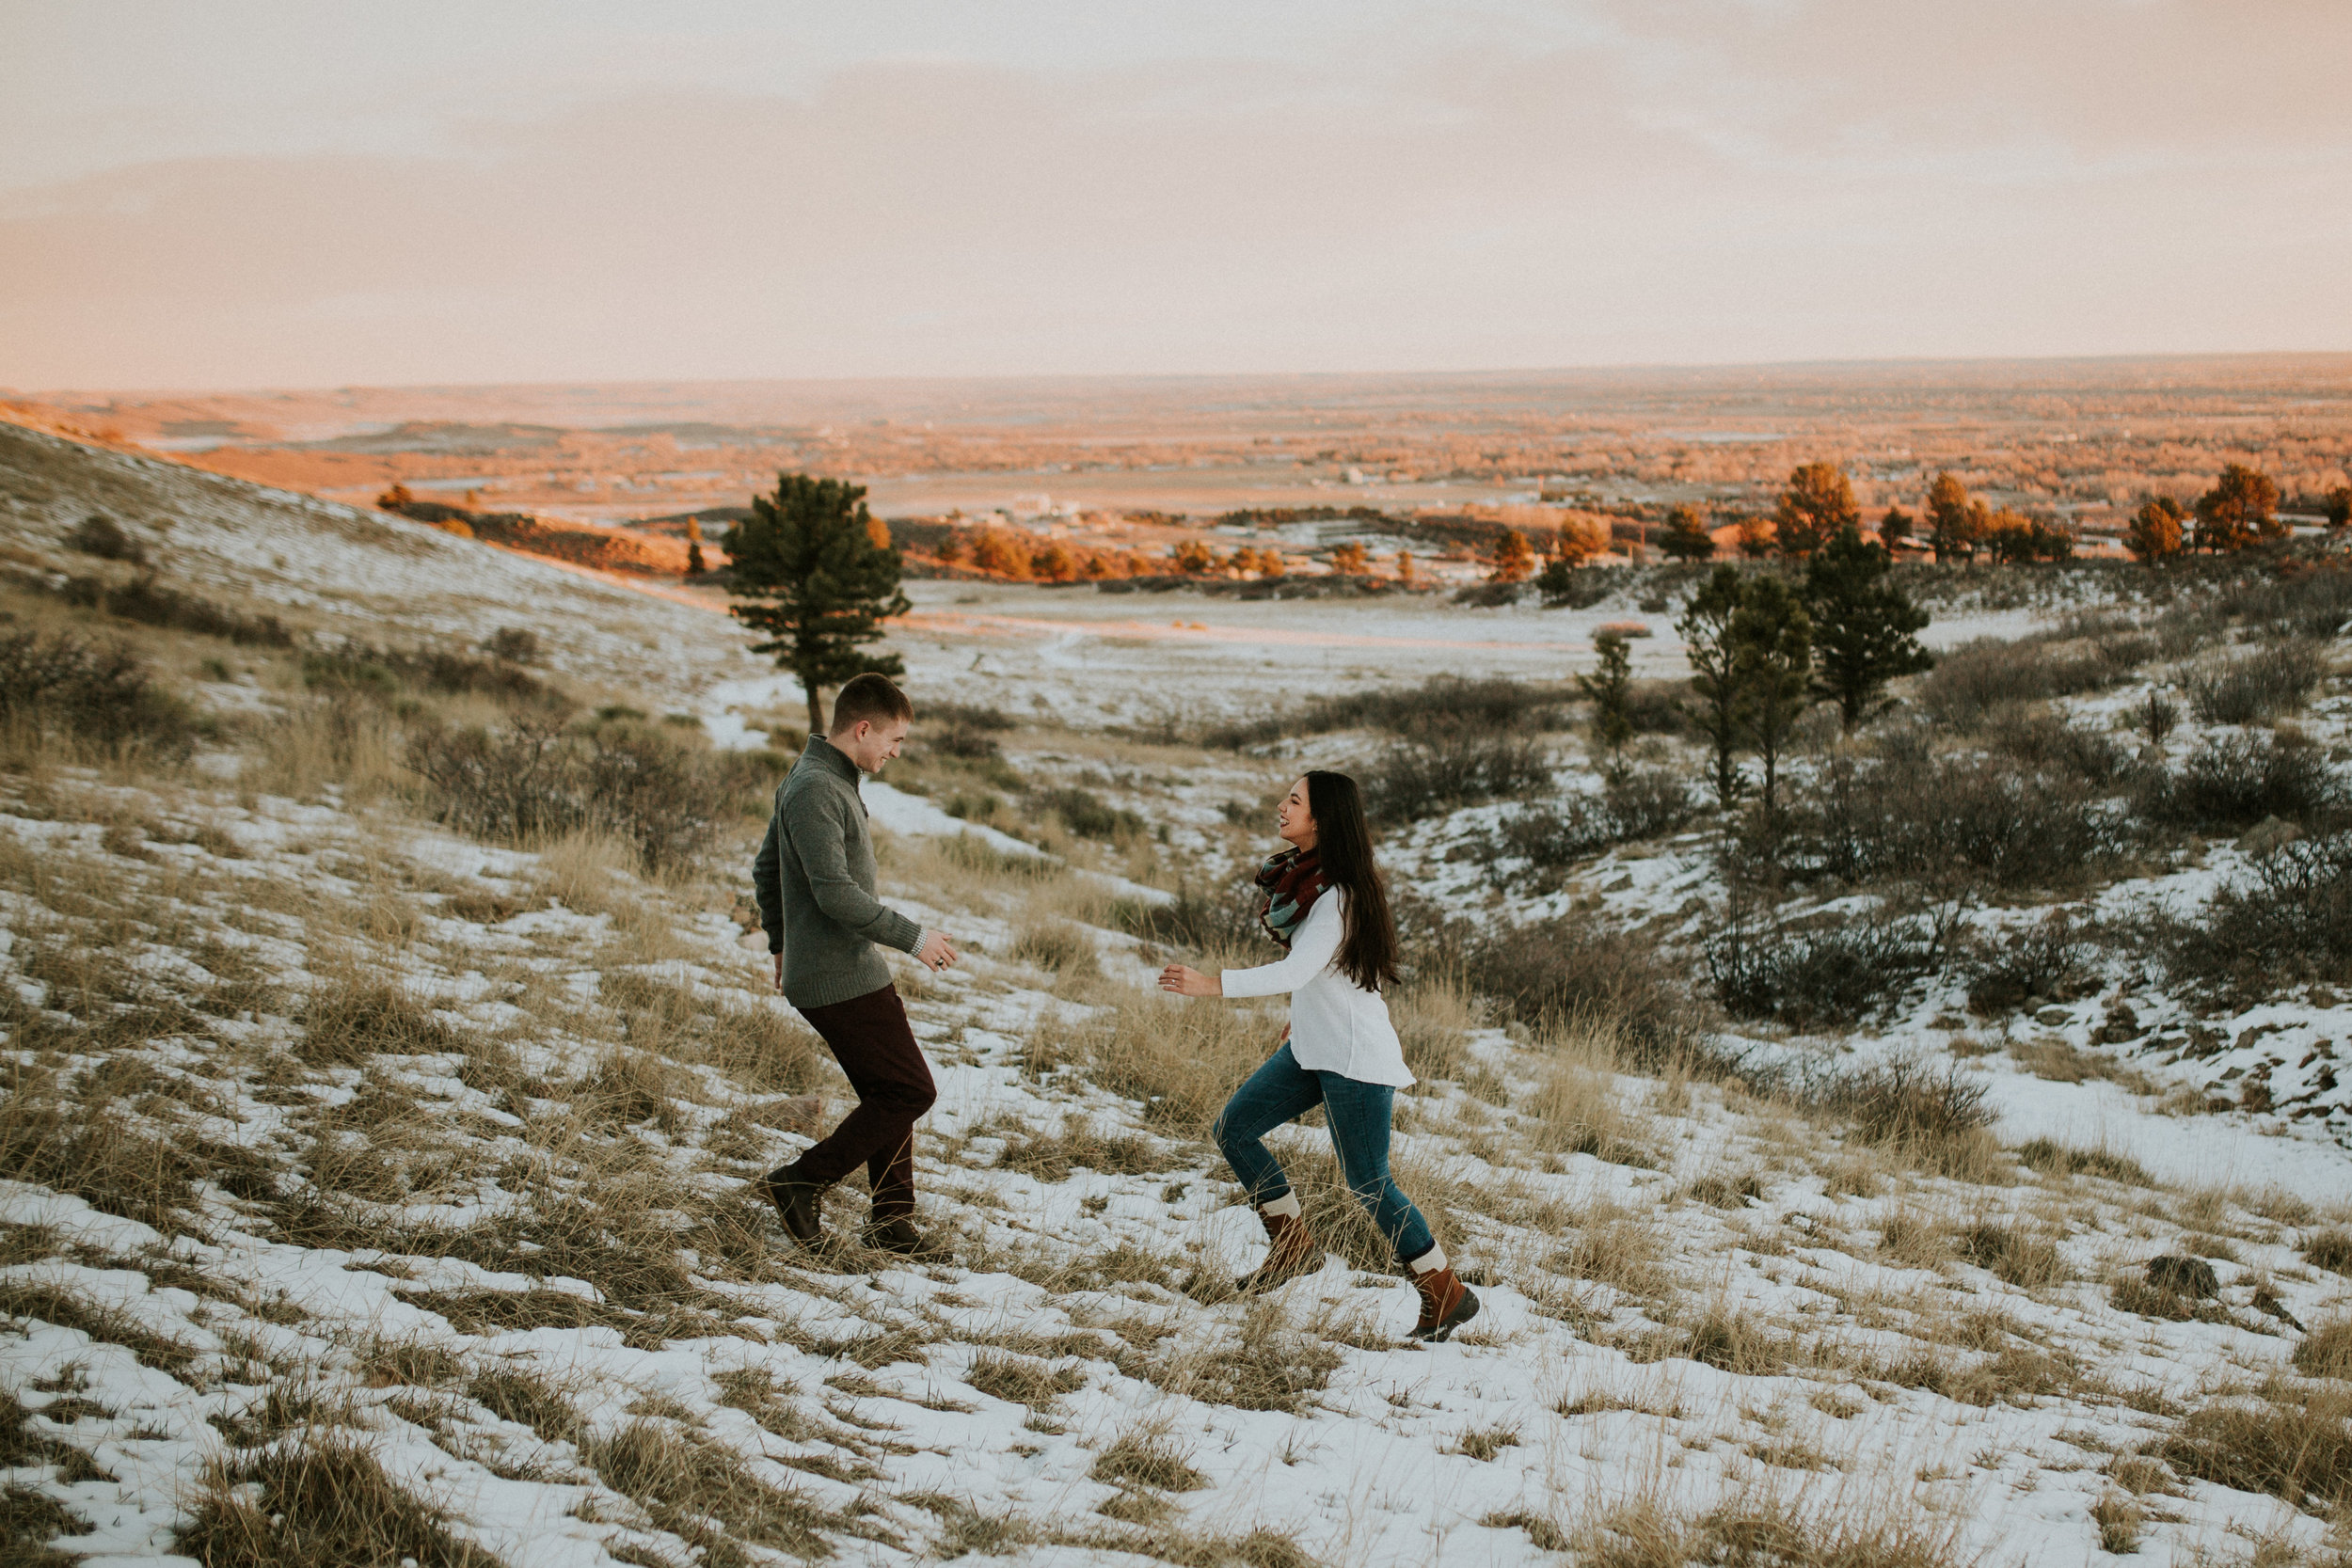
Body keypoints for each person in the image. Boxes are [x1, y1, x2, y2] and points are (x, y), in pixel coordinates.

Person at [1159, 770, 1478, 1343]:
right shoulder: (1317, 880)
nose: (1281, 806)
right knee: (1234, 1129)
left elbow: (1297, 968)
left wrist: (1211, 985)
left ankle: (1442, 1288)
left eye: (1294, 800)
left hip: (1353, 1057)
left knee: (1369, 1182)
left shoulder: (1337, 896)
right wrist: (1303, 1014)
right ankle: (1292, 1247)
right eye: (1287, 797)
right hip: (1313, 1047)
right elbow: (1325, 975)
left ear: (1322, 819)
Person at [753, 673, 961, 1257]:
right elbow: (836, 895)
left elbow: (765, 871)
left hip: (842, 968)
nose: (896, 752)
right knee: (908, 1091)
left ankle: (892, 1222)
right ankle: (801, 1180)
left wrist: (779, 944)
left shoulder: (820, 776)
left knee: (889, 1089)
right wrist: (914, 938)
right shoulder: (818, 788)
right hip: (837, 975)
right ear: (862, 729)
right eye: (894, 740)